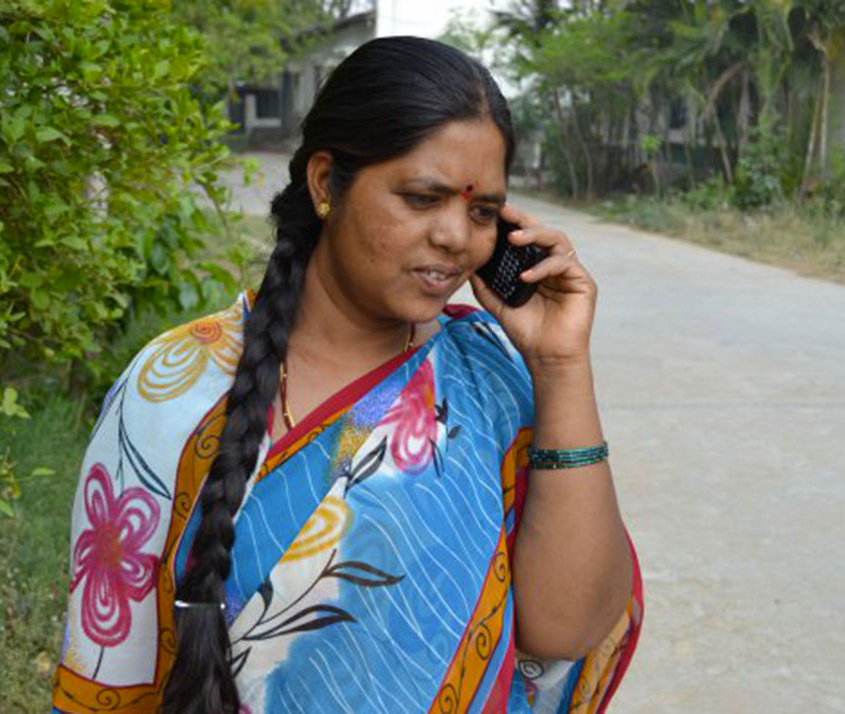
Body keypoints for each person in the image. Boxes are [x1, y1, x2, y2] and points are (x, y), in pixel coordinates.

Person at [52, 36, 642, 714]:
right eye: (423, 198)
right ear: (327, 182)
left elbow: (568, 627)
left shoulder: (484, 379)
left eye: (482, 212)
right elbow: (111, 664)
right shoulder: (176, 386)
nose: (457, 236)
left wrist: (560, 364)